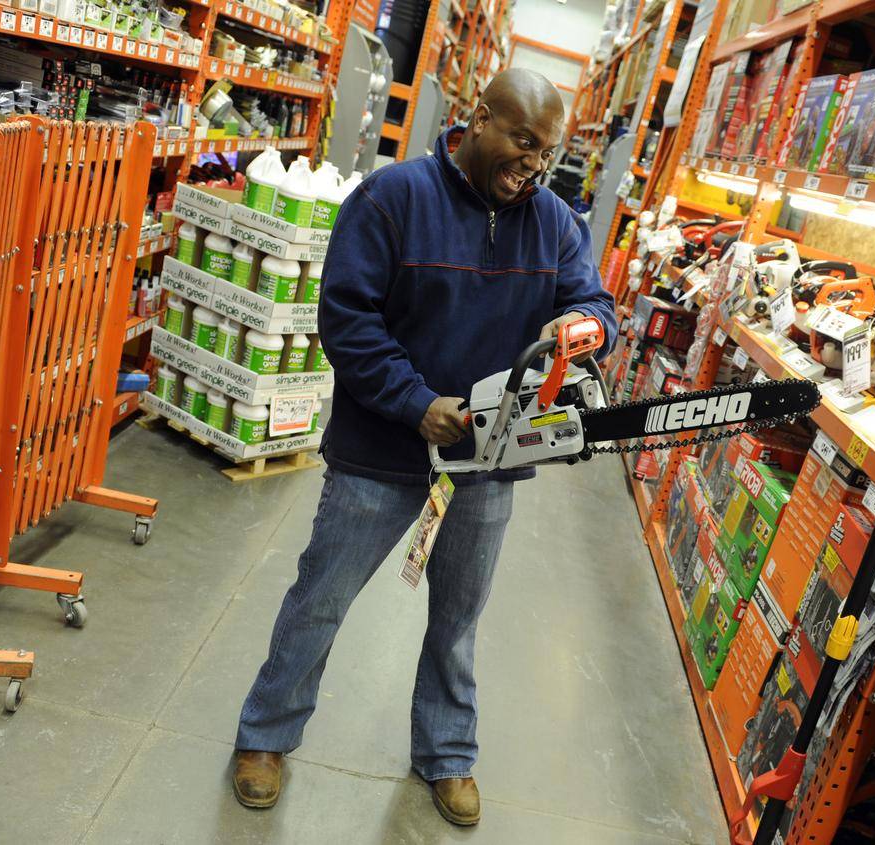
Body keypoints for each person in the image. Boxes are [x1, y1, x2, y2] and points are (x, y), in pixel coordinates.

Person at [232, 68, 617, 826]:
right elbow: (347, 320)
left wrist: (582, 327)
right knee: (322, 598)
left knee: (459, 619)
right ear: (479, 120)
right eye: (522, 143)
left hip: (488, 460)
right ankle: (264, 736)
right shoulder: (393, 198)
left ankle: (446, 752)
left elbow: (592, 298)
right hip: (382, 451)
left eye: (546, 153)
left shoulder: (553, 221)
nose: (533, 165)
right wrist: (417, 404)